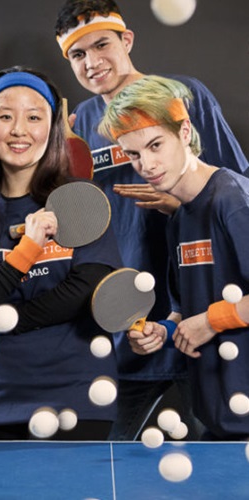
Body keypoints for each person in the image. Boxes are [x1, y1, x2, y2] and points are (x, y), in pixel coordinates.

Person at [54, 0, 248, 441]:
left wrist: (180, 204)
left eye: (101, 44)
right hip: (134, 320)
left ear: (127, 40)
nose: (92, 62)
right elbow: (84, 213)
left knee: (221, 450)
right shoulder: (82, 120)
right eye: (78, 55)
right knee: (112, 463)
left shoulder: (183, 95)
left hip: (208, 317)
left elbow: (232, 186)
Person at [0, 65, 123, 440]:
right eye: (5, 116)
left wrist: (0, 320)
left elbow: (88, 288)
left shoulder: (81, 201)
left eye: (34, 117)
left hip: (79, 399)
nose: (19, 130)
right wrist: (25, 252)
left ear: (51, 126)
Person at [98, 74, 249, 440]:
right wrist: (161, 332)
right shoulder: (179, 218)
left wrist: (213, 320)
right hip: (219, 421)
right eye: (133, 154)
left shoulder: (233, 200)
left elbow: (209, 318)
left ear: (184, 132)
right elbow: (187, 311)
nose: (146, 165)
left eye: (155, 145)